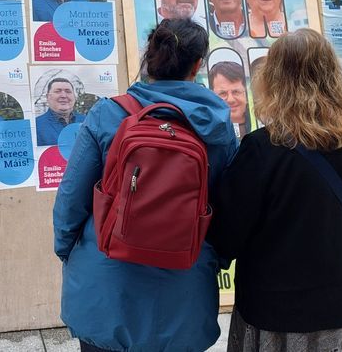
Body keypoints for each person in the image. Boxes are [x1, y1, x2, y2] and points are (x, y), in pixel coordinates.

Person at [207, 28, 342, 352]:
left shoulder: (262, 148)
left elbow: (225, 236)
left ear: (273, 79)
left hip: (278, 311)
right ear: (334, 72)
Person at [53, 18, 239, 351]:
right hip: (184, 283)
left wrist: (69, 250)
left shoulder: (109, 114)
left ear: (149, 58)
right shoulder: (218, 126)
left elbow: (71, 198)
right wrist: (214, 258)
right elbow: (227, 209)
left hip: (106, 278)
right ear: (197, 66)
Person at [36, 77, 86, 146]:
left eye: (68, 91)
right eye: (58, 91)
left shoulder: (87, 121)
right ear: (48, 97)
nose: (63, 96)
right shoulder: (36, 126)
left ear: (74, 97)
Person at [209, 60, 250, 138]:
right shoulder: (207, 135)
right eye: (222, 93)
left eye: (236, 92)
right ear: (212, 95)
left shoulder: (263, 126)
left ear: (246, 93)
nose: (230, 100)